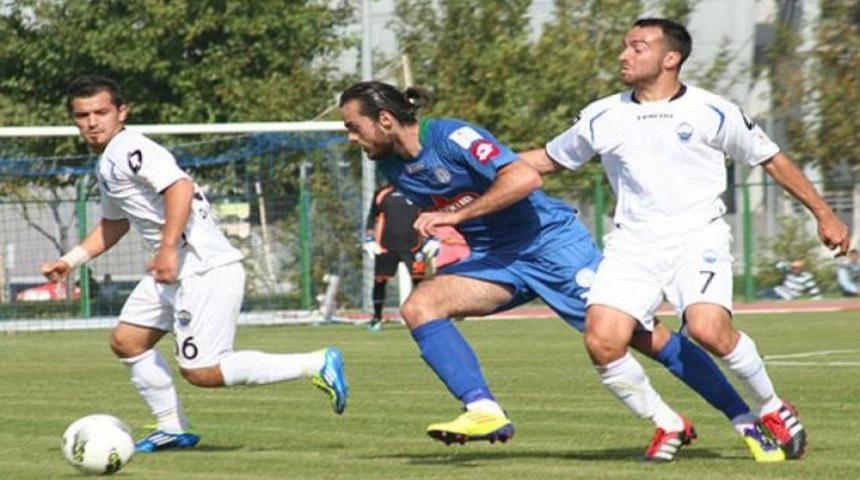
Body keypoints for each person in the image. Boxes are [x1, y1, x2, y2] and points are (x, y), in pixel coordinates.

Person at [339, 80, 781, 462]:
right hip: (499, 260)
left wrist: (456, 217)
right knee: (420, 306)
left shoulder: (454, 136)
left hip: (551, 246)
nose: (350, 139)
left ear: (384, 120)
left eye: (353, 127)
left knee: (641, 337)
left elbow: (525, 179)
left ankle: (745, 420)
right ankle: (485, 409)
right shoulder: (392, 166)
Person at [521, 18, 851, 461]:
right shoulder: (603, 114)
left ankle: (772, 406)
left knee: (708, 330)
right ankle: (668, 421)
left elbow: (771, 159)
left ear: (670, 58)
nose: (624, 54)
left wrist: (824, 213)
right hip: (632, 245)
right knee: (602, 339)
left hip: (697, 237)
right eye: (624, 46)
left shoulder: (711, 110)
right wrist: (481, 164)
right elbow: (547, 159)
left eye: (638, 47)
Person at [42, 75, 348, 453]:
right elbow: (115, 223)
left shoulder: (130, 147)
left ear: (122, 112)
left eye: (101, 112)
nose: (92, 122)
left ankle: (315, 362)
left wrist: (168, 247)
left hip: (203, 268)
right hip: (172, 270)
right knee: (128, 340)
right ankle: (172, 428)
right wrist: (71, 260)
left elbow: (179, 187)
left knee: (203, 372)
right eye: (82, 115)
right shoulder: (108, 162)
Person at [364, 183, 422, 331]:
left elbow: (429, 213)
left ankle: (424, 316)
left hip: (414, 247)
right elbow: (372, 217)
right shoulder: (383, 193)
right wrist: (369, 239)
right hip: (386, 246)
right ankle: (376, 318)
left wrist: (433, 237)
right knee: (380, 280)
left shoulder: (418, 189)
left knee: (420, 282)